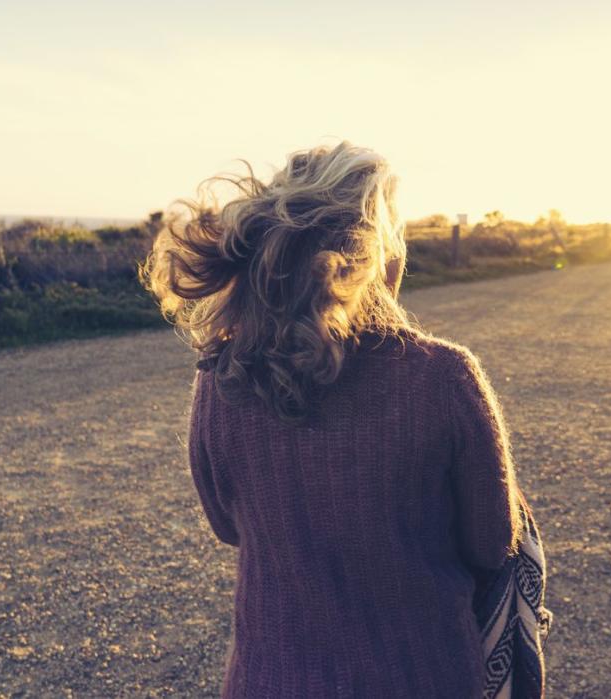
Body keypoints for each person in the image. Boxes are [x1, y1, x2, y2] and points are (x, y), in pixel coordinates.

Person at [146, 141, 536, 698]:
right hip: (424, 679)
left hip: (269, 680)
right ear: (375, 253)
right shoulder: (443, 378)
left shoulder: (224, 377)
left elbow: (228, 527)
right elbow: (492, 544)